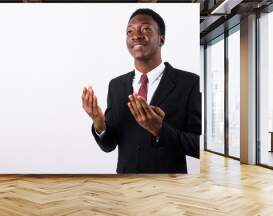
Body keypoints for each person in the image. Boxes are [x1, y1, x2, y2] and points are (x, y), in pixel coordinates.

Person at [81, 8, 201, 174]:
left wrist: (160, 130)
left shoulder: (190, 83)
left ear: (161, 39)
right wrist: (98, 121)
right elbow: (109, 145)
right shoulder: (116, 86)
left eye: (145, 29)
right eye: (130, 31)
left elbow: (198, 145)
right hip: (126, 186)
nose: (136, 35)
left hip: (170, 188)